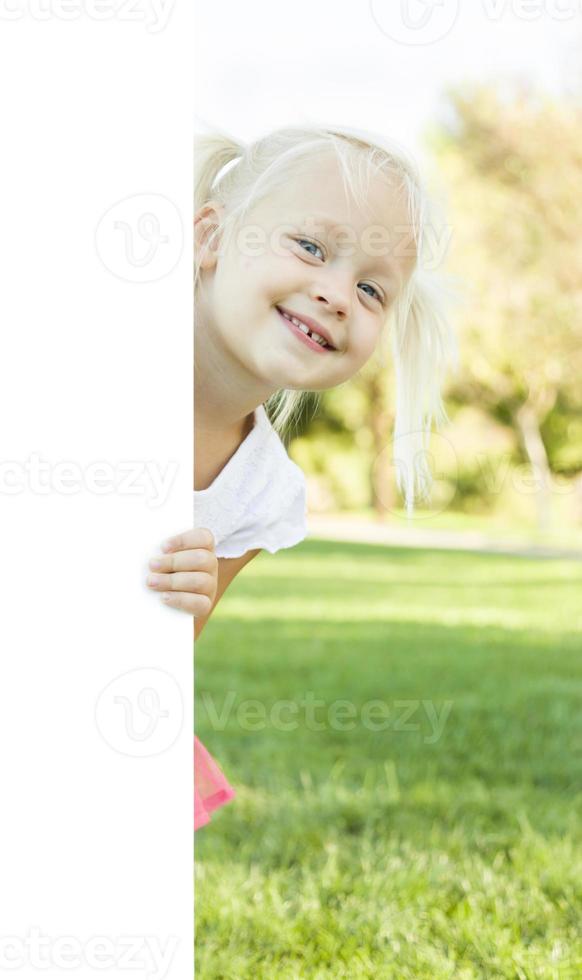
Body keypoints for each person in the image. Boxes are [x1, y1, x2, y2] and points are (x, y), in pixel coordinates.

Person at [146, 123, 458, 830]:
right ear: (211, 240)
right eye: (311, 248)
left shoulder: (261, 487)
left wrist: (187, 603)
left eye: (373, 290)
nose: (338, 295)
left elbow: (172, 645)